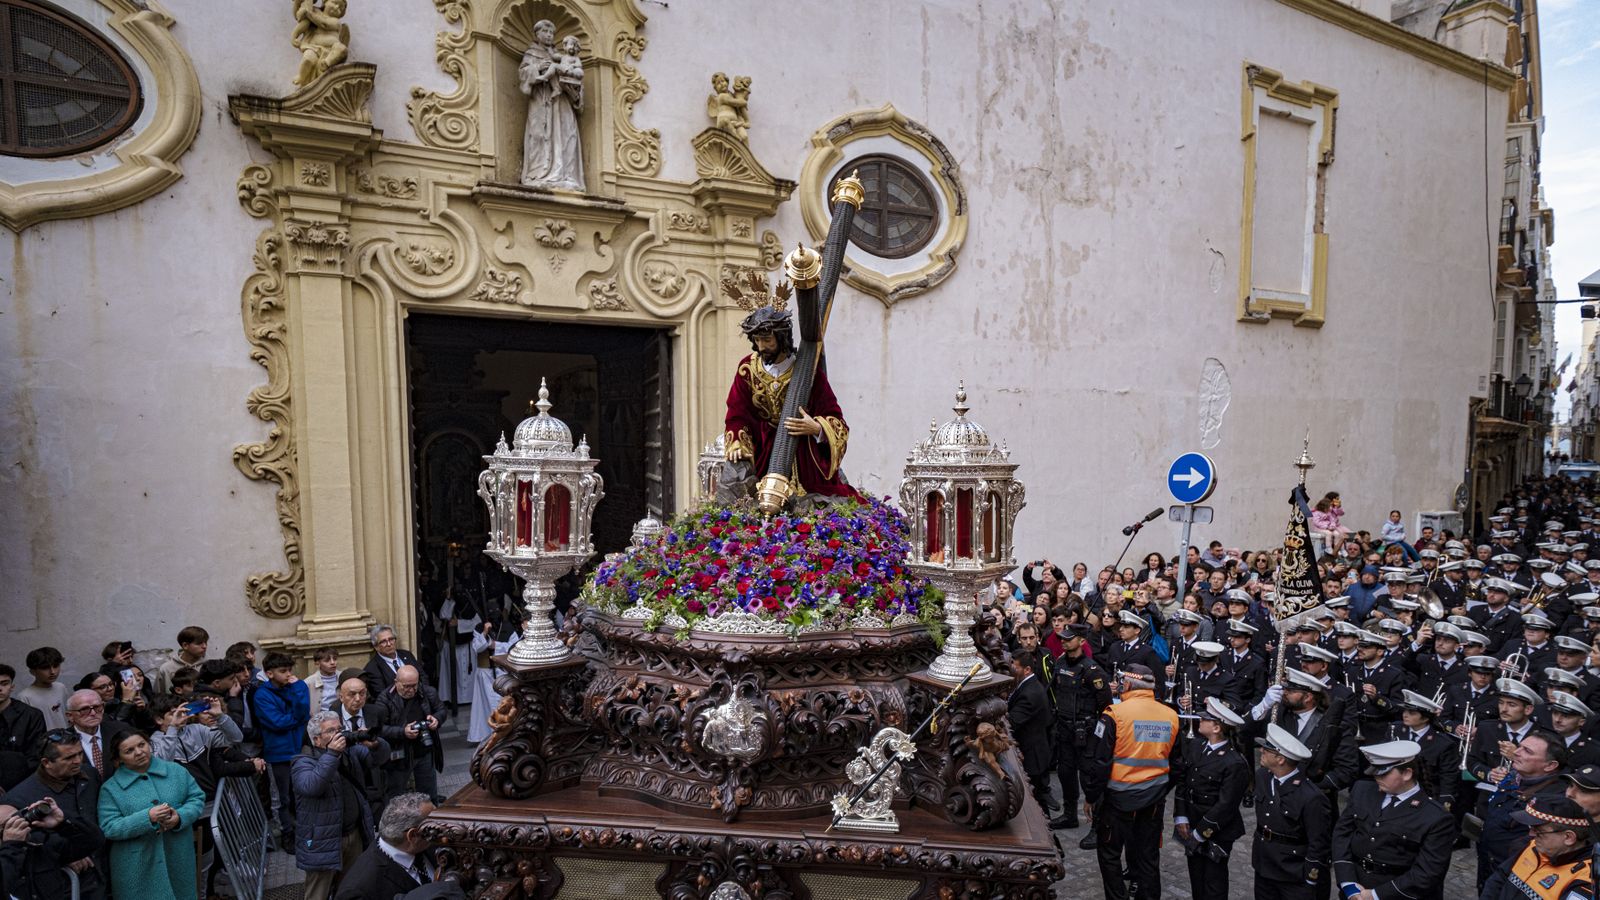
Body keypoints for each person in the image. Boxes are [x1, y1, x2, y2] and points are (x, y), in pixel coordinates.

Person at [719, 274, 857, 501]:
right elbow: (736, 413)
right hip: (764, 452)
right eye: (758, 340)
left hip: (804, 455)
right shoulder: (747, 369)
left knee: (819, 503)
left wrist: (817, 428)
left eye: (768, 340)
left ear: (782, 338)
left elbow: (836, 419)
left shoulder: (808, 372)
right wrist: (736, 440)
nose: (762, 347)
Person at [1083, 663, 1179, 900]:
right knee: (1147, 856)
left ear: (1126, 684)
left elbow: (1100, 762)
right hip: (1154, 798)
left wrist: (1092, 797)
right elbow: (1178, 762)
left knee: (1109, 853)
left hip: (1118, 798)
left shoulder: (1114, 714)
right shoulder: (1170, 715)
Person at [1332, 740, 1457, 900]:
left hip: (1397, 893)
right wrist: (1348, 884)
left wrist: (1375, 895)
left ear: (1407, 774)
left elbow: (1427, 873)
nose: (1376, 777)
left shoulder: (1436, 817)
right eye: (1375, 771)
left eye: (1383, 773)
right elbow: (1342, 834)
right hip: (1356, 888)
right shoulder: (1362, 790)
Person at [96, 730, 206, 900]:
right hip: (136, 865)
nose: (139, 752)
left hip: (177, 856)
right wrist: (147, 818)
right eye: (129, 751)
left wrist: (179, 817)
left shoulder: (175, 771)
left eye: (142, 745)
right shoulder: (111, 788)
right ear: (118, 760)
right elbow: (109, 827)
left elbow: (196, 799)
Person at [3, 730, 107, 900]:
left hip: (102, 873)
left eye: (80, 753)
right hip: (65, 885)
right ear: (46, 762)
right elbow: (23, 846)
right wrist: (66, 856)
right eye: (68, 758)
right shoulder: (20, 799)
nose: (77, 761)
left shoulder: (90, 776)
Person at [295, 711, 380, 900]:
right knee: (318, 893)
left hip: (354, 834)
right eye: (331, 731)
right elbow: (312, 786)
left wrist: (375, 744)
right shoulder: (303, 762)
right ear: (317, 739)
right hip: (323, 842)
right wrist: (332, 754)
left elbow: (378, 760)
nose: (339, 734)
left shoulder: (349, 753)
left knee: (349, 889)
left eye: (340, 729)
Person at [1172, 697, 1249, 900]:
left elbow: (1226, 804)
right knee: (1196, 878)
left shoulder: (1234, 762)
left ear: (1216, 727)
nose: (1200, 720)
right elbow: (1184, 782)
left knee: (1213, 883)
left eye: (1205, 719)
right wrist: (1181, 816)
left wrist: (1199, 833)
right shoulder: (1197, 746)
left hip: (1216, 829)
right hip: (1192, 821)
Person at [1478, 727, 1572, 891]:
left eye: (1527, 751)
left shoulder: (1556, 801)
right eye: (1520, 747)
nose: (1517, 752)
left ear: (1550, 765)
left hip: (1516, 877)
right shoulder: (1514, 776)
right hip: (1490, 863)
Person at [1249, 723, 1330, 899]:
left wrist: (1310, 878)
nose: (1261, 751)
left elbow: (1318, 843)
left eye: (1267, 750)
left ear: (1280, 759)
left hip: (1292, 872)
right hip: (1264, 863)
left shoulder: (1311, 797)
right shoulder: (1262, 776)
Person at [1048, 624, 1110, 836]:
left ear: (1081, 641)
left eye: (1069, 639)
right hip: (1064, 729)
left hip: (1086, 732)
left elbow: (1106, 706)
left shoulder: (1093, 670)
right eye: (1062, 638)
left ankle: (1096, 825)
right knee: (1065, 773)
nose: (1064, 642)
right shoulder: (1060, 662)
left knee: (1089, 779)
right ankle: (1070, 814)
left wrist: (1096, 733)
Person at [1479, 794, 1595, 899]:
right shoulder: (1535, 846)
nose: (1531, 835)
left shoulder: (1585, 880)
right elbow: (1500, 877)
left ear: (1568, 837)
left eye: (1538, 831)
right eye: (1531, 828)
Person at [252, 651, 311, 850]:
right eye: (283, 671)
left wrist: (297, 689)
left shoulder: (297, 686)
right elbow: (276, 722)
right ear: (269, 673)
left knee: (301, 794)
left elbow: (304, 711)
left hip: (299, 749)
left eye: (290, 670)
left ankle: (303, 831)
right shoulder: (262, 695)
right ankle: (287, 832)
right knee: (283, 797)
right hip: (278, 753)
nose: (288, 674)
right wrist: (297, 720)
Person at [334, 792, 438, 900]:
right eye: (433, 825)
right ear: (412, 835)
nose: (442, 826)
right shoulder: (359, 890)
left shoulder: (429, 844)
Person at [0, 795, 100, 900]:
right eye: (4, 825)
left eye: (17, 819)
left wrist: (63, 822)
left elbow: (94, 840)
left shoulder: (40, 844)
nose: (15, 826)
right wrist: (12, 845)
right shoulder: (11, 850)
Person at [377, 665, 446, 803]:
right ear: (396, 682)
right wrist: (402, 732)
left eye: (414, 685)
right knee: (396, 794)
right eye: (406, 686)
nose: (411, 690)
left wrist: (436, 719)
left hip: (424, 749)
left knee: (429, 792)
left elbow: (441, 710)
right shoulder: (384, 699)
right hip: (399, 753)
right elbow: (378, 729)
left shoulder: (428, 692)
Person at [1006, 650, 1055, 818]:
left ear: (1027, 669)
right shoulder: (1025, 685)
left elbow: (1013, 721)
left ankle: (1047, 839)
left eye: (1015, 665)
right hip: (1033, 750)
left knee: (1037, 802)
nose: (1011, 668)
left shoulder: (1030, 693)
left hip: (1032, 755)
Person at [469, 616, 519, 744]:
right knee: (487, 706)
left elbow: (514, 647)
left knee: (499, 704)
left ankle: (501, 735)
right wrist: (485, 633)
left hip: (502, 673)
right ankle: (485, 735)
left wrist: (496, 645)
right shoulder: (479, 628)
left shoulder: (507, 628)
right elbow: (477, 647)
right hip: (485, 673)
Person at [65, 689, 130, 782]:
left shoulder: (120, 730)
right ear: (70, 716)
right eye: (84, 709)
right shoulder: (62, 742)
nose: (93, 713)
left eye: (97, 707)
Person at [0, 663, 46, 790]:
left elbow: (35, 757)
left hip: (22, 785)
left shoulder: (31, 715)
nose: (0, 688)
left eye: (4, 683)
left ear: (12, 686)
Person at [362, 624, 422, 696]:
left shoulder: (407, 655)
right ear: (376, 647)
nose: (389, 644)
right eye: (383, 641)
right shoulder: (372, 668)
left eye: (391, 639)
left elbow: (422, 677)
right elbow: (382, 695)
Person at [17, 647, 69, 730]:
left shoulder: (61, 687)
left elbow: (67, 714)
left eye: (56, 666)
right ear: (33, 671)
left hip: (67, 738)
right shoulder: (25, 696)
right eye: (45, 668)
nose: (52, 672)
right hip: (43, 741)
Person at [154, 626, 209, 694]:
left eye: (205, 642)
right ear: (185, 645)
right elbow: (158, 696)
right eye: (199, 643)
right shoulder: (166, 669)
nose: (204, 646)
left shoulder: (209, 667)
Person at [303, 648, 343, 713]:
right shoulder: (309, 683)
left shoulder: (343, 676)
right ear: (317, 663)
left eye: (335, 659)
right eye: (327, 660)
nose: (333, 663)